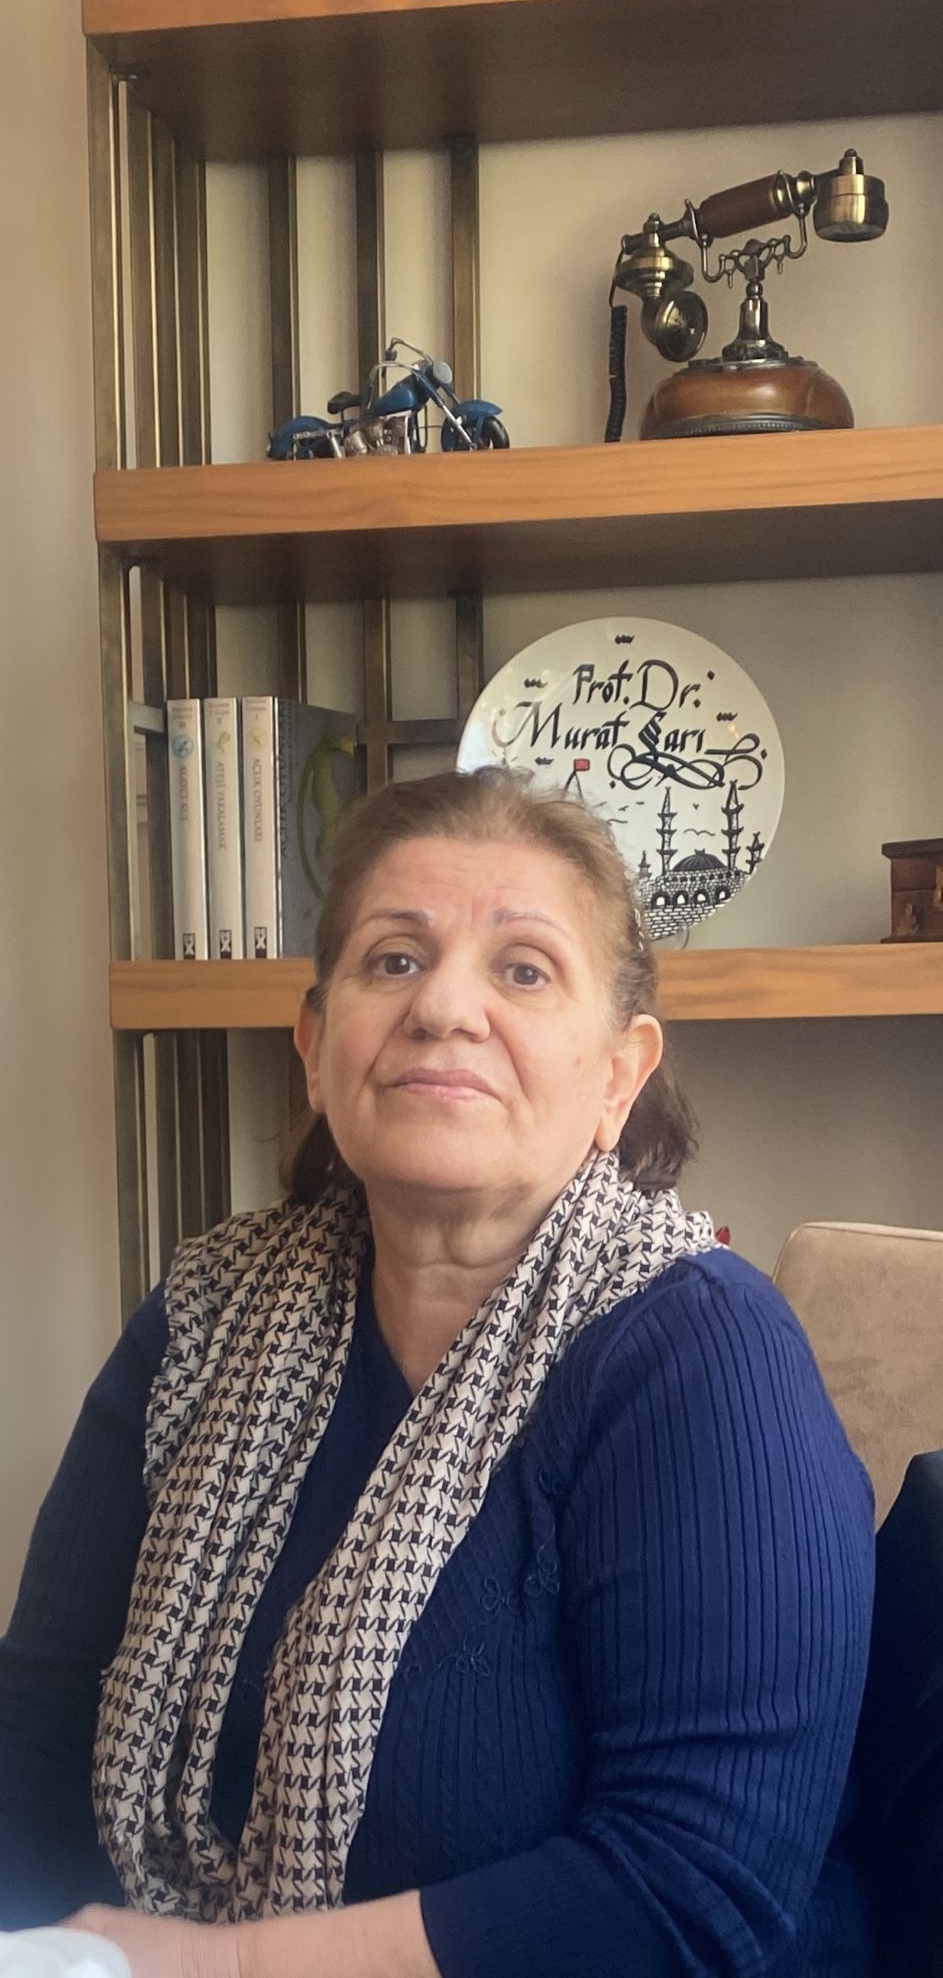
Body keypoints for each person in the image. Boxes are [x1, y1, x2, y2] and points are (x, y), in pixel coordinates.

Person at [0, 767, 875, 1978]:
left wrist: (215, 1966)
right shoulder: (202, 1313)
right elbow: (38, 1727)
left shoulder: (701, 1352)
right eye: (394, 958)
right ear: (317, 1048)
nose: (444, 1006)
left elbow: (693, 1891)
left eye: (524, 968)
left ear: (618, 1073)